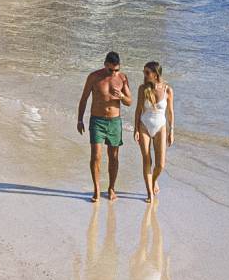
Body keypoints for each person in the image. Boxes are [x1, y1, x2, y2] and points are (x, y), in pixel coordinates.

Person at [75, 51, 133, 201]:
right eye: (111, 70)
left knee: (113, 157)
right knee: (96, 156)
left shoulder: (122, 78)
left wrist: (121, 96)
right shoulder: (94, 77)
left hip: (114, 122)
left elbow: (129, 101)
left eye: (116, 70)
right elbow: (84, 99)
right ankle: (96, 189)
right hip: (97, 121)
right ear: (105, 64)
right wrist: (80, 120)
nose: (113, 73)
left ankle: (111, 188)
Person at [134, 61, 175, 201]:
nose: (144, 75)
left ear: (155, 74)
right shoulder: (142, 89)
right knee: (147, 160)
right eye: (144, 72)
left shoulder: (167, 90)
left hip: (161, 127)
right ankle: (149, 193)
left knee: (160, 164)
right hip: (144, 125)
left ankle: (153, 180)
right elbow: (138, 110)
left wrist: (172, 131)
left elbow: (170, 112)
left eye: (147, 73)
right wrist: (136, 129)